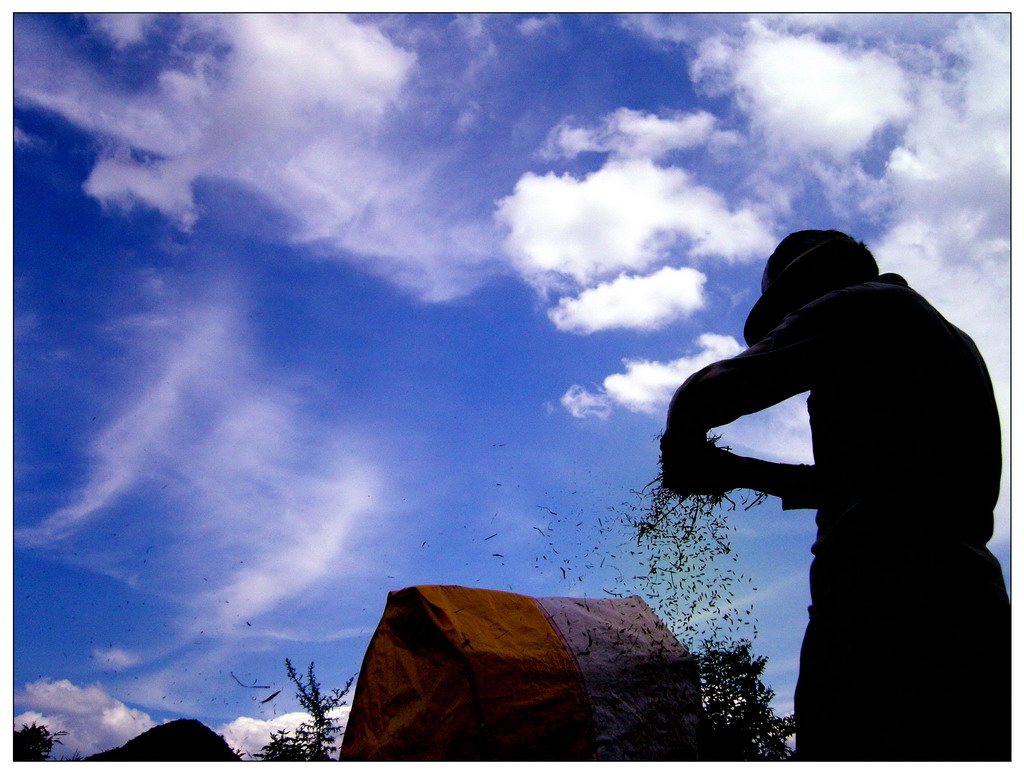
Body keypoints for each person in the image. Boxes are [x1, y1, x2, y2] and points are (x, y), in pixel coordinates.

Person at [660, 230, 1009, 761]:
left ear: (816, 283)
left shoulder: (865, 306)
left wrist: (681, 444)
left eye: (790, 310)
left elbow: (706, 394)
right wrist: (733, 470)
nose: (791, 322)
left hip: (888, 602)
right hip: (965, 595)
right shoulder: (930, 341)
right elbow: (851, 483)